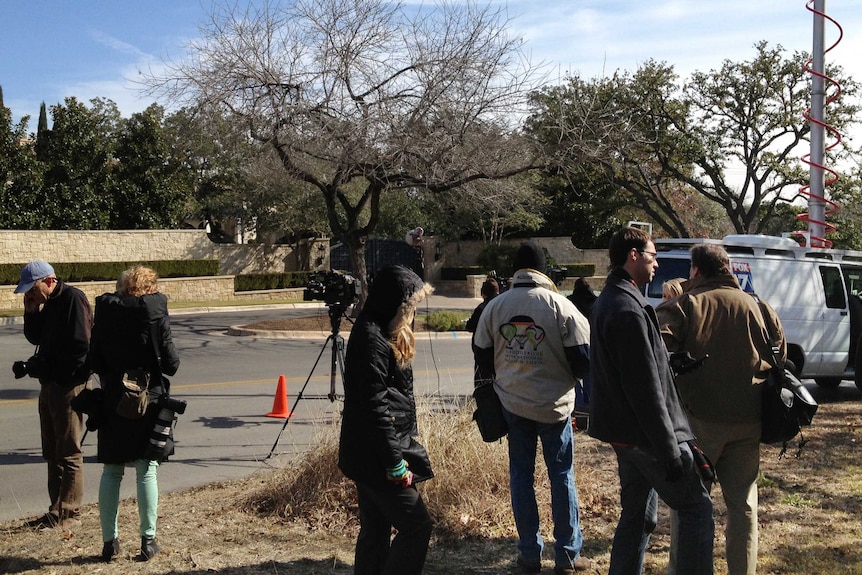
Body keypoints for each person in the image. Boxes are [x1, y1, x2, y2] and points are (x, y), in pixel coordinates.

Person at [588, 227, 714, 575]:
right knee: (696, 508)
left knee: (638, 517)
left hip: (626, 433)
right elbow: (642, 388)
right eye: (652, 256)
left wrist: (669, 361)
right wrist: (670, 449)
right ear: (633, 255)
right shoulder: (626, 309)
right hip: (646, 435)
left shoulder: (611, 300)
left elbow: (631, 366)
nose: (656, 264)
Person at [657, 244, 784, 575]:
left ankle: (683, 569)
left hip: (699, 423)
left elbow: (657, 356)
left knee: (691, 505)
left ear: (696, 270)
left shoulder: (685, 305)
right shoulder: (759, 307)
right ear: (728, 268)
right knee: (743, 506)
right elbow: (778, 355)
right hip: (749, 420)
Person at [473, 242, 592, 574]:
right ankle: (568, 555)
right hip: (555, 408)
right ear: (543, 271)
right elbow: (584, 363)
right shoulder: (562, 307)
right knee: (562, 476)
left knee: (521, 477)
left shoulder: (495, 307)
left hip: (513, 404)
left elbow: (481, 355)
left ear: (516, 271)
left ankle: (528, 554)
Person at [337, 265, 435, 575]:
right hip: (378, 457)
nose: (413, 313)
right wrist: (395, 463)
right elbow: (375, 408)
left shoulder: (380, 329)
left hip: (371, 453)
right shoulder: (371, 337)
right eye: (411, 306)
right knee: (418, 526)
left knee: (375, 530)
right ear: (396, 303)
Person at [88, 265, 180, 562]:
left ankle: (108, 542)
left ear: (123, 286)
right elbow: (171, 363)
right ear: (151, 288)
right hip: (148, 398)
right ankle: (147, 540)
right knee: (146, 469)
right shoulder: (154, 314)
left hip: (114, 398)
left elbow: (95, 360)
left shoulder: (105, 312)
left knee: (111, 470)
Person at [14, 261, 92, 529]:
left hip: (69, 385)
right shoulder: (48, 304)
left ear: (48, 280)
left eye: (32, 290)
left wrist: (53, 368)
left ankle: (70, 514)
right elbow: (36, 338)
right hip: (50, 385)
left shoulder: (73, 298)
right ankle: (56, 510)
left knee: (69, 452)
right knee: (52, 451)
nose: (31, 294)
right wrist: (31, 311)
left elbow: (81, 345)